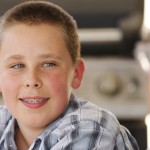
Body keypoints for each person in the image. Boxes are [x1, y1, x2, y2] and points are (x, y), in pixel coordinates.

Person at [0, 1, 139, 149]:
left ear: (76, 74)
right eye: (17, 66)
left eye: (48, 64)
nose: (32, 80)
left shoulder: (91, 129)